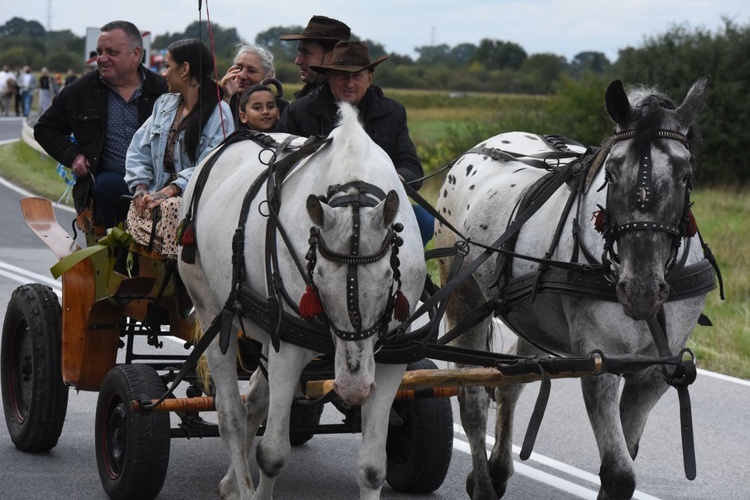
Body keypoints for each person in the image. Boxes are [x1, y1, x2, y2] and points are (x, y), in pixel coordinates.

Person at [275, 41, 433, 245]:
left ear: (369, 78)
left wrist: (397, 178)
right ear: (330, 77)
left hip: (375, 210)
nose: (350, 83)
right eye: (343, 75)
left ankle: (406, 276)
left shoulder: (392, 112)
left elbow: (411, 166)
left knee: (426, 221)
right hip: (316, 211)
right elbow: (279, 165)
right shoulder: (299, 111)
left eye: (357, 76)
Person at [35, 20, 168, 229]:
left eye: (112, 52)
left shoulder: (164, 89)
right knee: (108, 185)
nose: (102, 59)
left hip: (162, 182)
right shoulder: (78, 92)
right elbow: (44, 129)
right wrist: (74, 156)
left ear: (136, 55)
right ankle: (119, 248)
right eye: (99, 52)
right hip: (111, 184)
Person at [124, 39, 234, 256]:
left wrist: (171, 191)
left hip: (195, 203)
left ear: (184, 69)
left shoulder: (219, 112)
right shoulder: (163, 105)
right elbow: (138, 149)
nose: (163, 74)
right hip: (157, 200)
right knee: (141, 207)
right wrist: (141, 188)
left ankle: (177, 266)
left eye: (167, 66)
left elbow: (212, 163)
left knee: (172, 208)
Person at [279, 15, 350, 99]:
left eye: (306, 53)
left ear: (333, 57)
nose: (298, 61)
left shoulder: (359, 105)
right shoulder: (301, 103)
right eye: (300, 53)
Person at [220, 44, 287, 129]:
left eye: (251, 71)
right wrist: (226, 97)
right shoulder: (222, 104)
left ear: (268, 76)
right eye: (239, 69)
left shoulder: (283, 109)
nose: (242, 75)